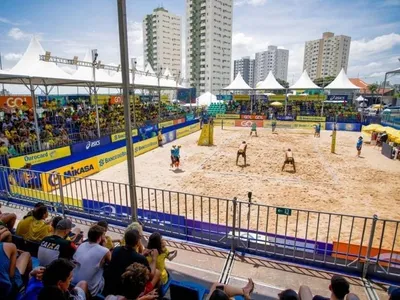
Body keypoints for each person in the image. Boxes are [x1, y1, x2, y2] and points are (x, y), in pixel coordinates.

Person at [103, 229, 160, 297]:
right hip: (125, 292)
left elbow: (126, 258)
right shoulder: (140, 259)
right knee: (157, 272)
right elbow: (151, 275)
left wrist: (141, 254)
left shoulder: (116, 250)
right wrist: (154, 259)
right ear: (137, 242)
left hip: (110, 287)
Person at [72, 225, 111, 296]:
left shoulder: (82, 245)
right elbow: (111, 264)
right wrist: (105, 246)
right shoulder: (105, 250)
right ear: (100, 238)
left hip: (73, 282)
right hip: (89, 290)